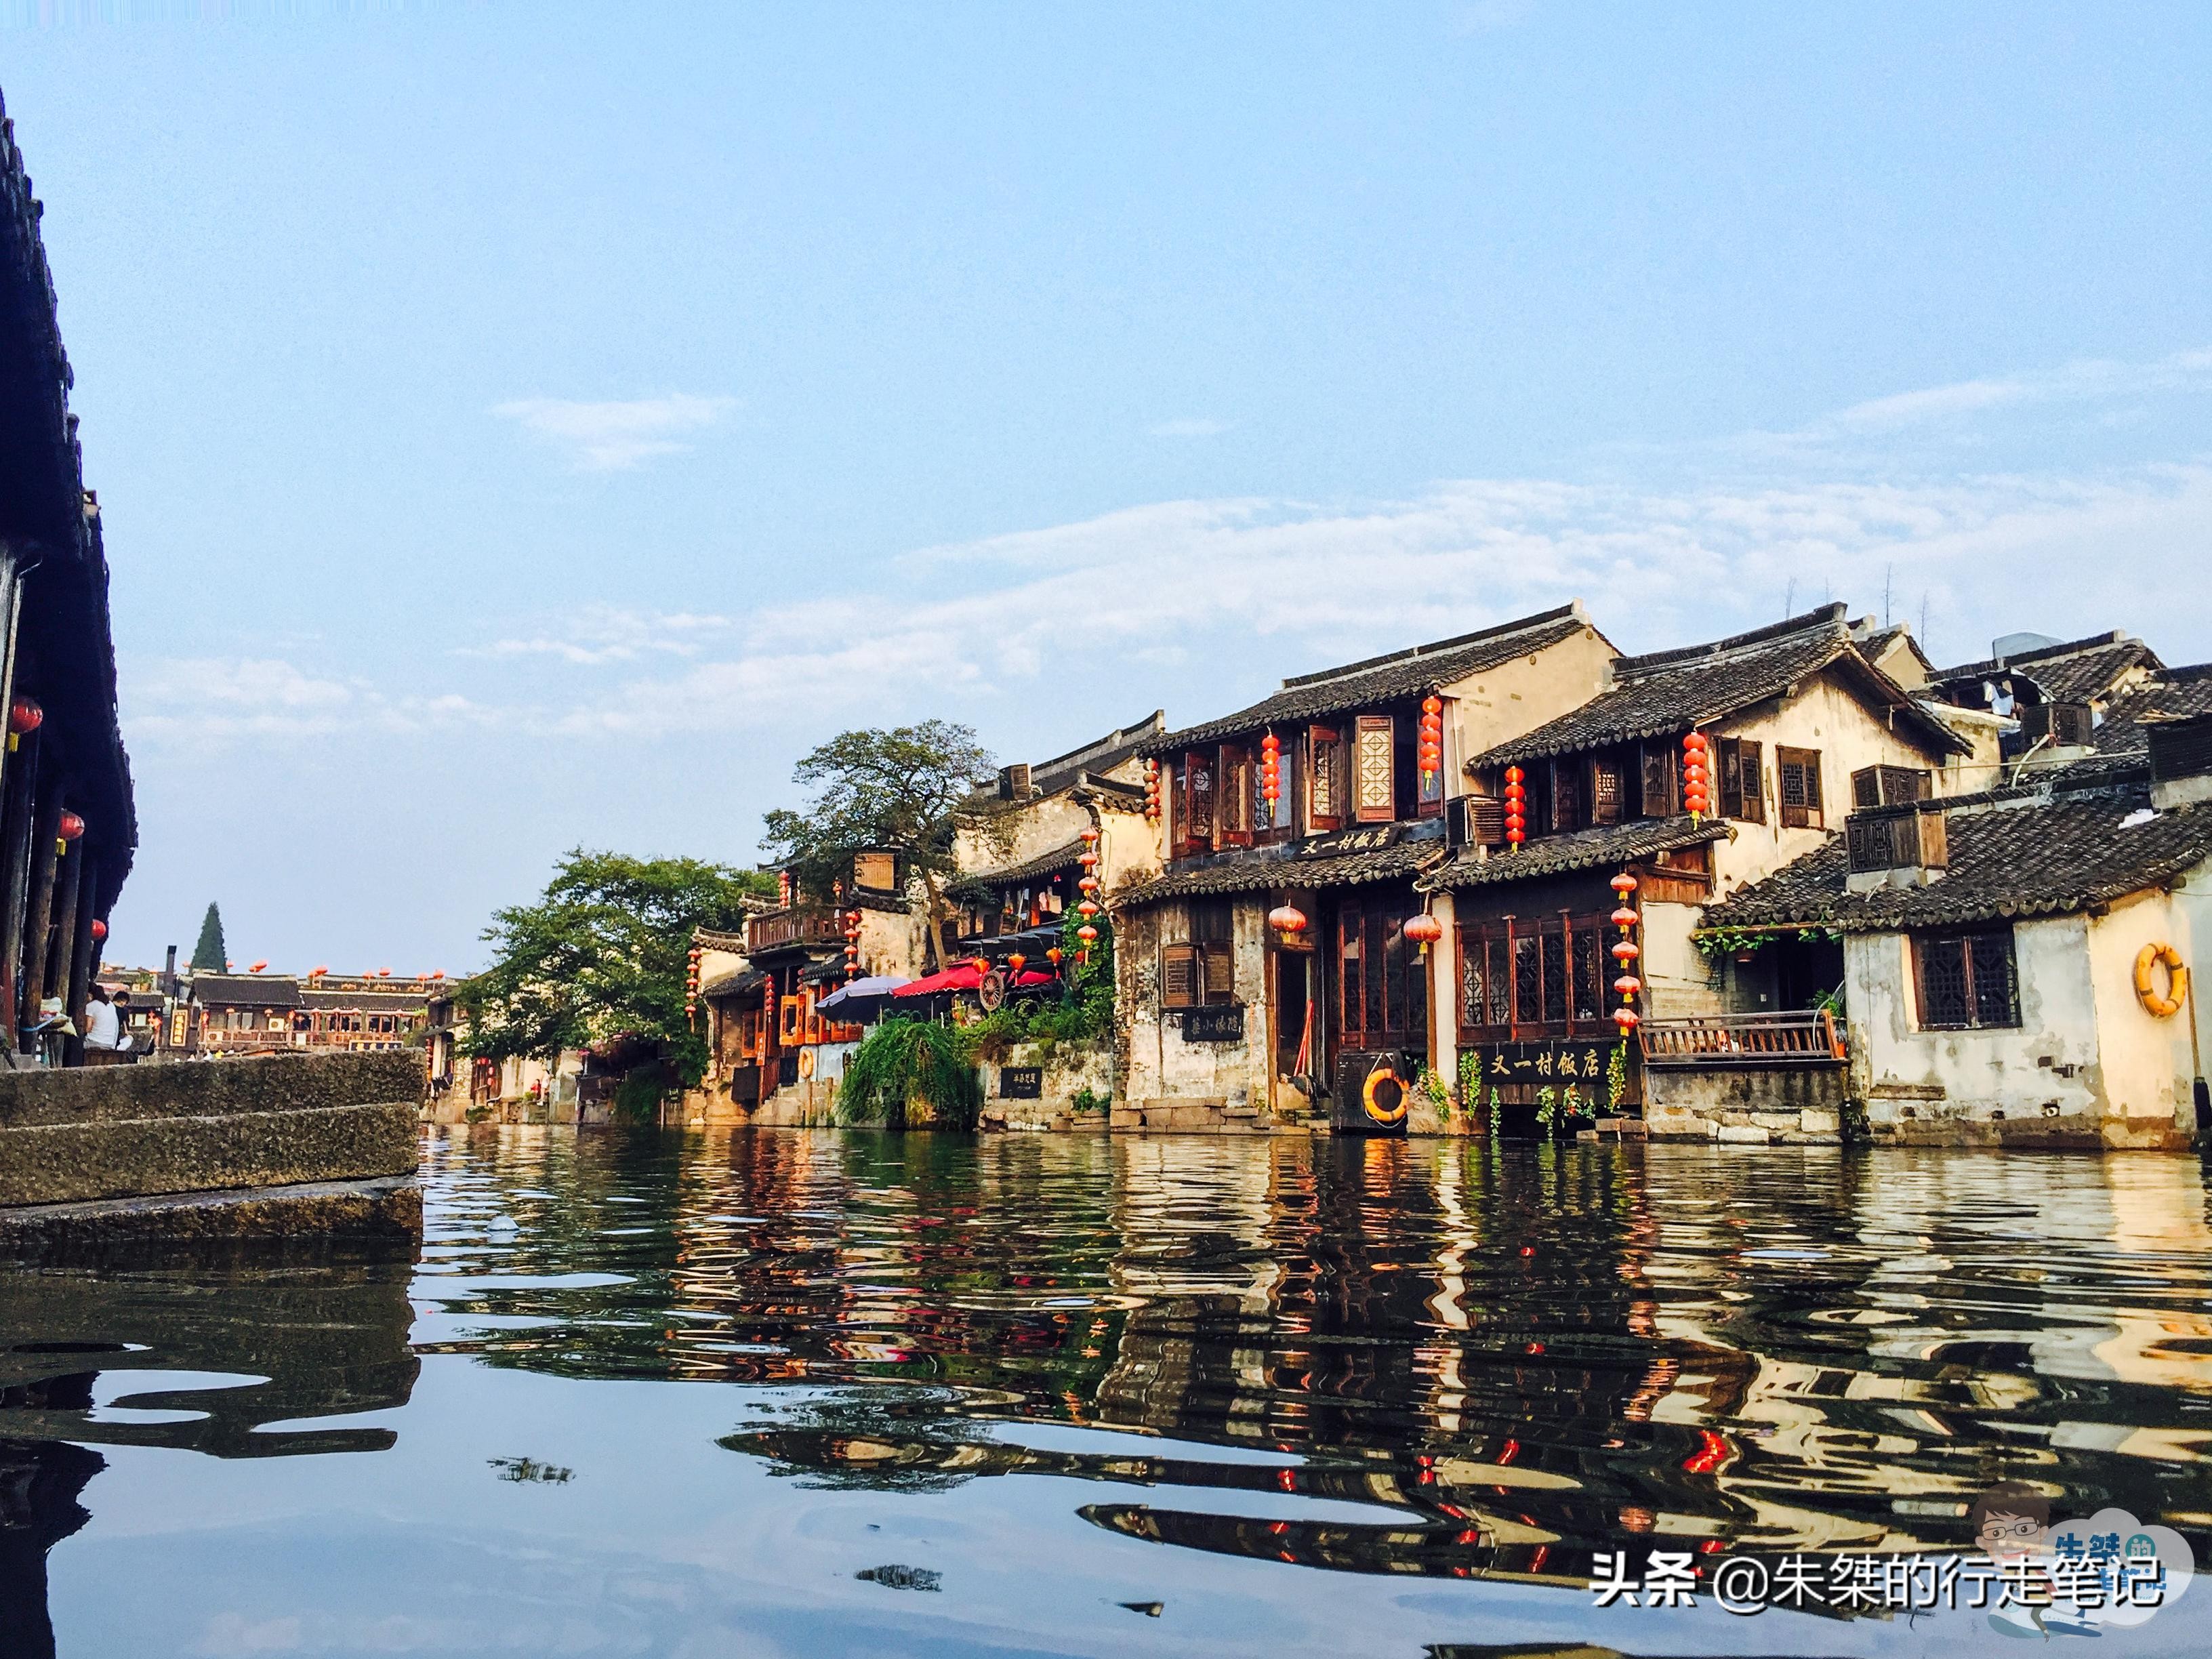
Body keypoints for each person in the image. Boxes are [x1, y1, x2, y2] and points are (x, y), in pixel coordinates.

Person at [82, 983, 123, 1053]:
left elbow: (88, 1028)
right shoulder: (111, 1005)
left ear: (90, 995)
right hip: (109, 1043)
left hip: (94, 1041)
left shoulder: (91, 1006)